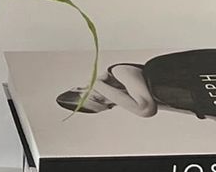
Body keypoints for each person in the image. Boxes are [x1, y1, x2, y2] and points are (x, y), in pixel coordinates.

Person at [56, 49, 216, 120]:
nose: (112, 101)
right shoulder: (151, 95)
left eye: (97, 99)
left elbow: (145, 110)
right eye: (110, 106)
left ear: (79, 88)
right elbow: (197, 109)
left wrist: (95, 83)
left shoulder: (119, 71)